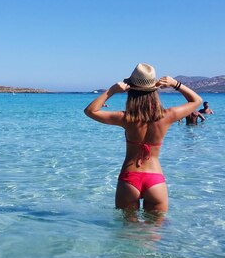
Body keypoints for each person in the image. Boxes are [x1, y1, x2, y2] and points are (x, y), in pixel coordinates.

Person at [84, 63, 202, 213]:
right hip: (155, 180)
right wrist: (175, 84)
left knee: (128, 233)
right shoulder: (167, 116)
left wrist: (113, 90)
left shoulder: (126, 118)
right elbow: (196, 101)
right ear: (154, 90)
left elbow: (90, 111)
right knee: (155, 234)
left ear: (131, 89)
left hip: (129, 179)